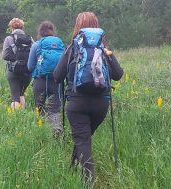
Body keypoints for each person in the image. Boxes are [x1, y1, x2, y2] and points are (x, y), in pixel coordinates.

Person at [53, 12, 124, 184]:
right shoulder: (104, 49)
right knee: (83, 139)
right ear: (97, 27)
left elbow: (57, 76)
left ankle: (88, 184)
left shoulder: (72, 48)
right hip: (101, 104)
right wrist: (110, 55)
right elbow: (118, 75)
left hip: (77, 104)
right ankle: (72, 170)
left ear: (78, 27)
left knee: (83, 142)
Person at [27, 21, 65, 136]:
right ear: (52, 31)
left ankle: (41, 133)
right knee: (54, 109)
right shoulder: (60, 44)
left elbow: (29, 67)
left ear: (40, 32)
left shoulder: (36, 45)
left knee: (40, 107)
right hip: (57, 81)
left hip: (40, 81)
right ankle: (56, 132)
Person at [2, 18, 32, 109]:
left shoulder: (9, 38)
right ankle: (22, 116)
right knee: (21, 93)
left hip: (13, 71)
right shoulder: (29, 38)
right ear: (22, 27)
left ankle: (16, 119)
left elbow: (5, 56)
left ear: (12, 27)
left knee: (15, 98)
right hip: (27, 71)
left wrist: (15, 59)